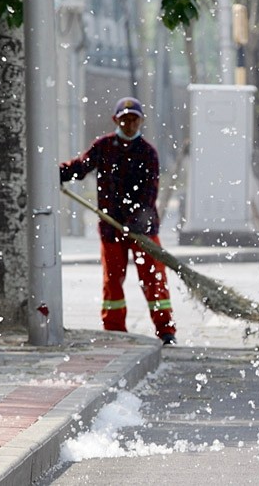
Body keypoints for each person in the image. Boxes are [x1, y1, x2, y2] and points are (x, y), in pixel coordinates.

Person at [60, 97, 177, 345]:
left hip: (143, 231)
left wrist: (136, 220)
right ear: (116, 120)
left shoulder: (148, 153)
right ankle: (114, 330)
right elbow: (80, 167)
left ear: (141, 121)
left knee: (154, 279)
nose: (129, 124)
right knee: (112, 281)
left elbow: (149, 192)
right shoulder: (103, 147)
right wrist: (60, 172)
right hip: (111, 228)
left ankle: (165, 330)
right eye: (125, 119)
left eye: (134, 119)